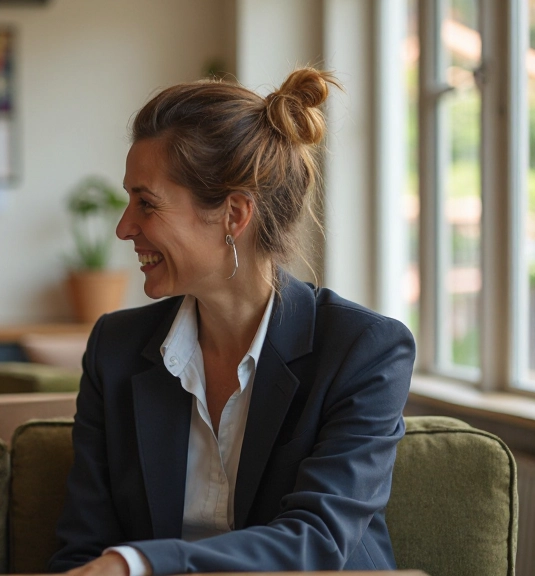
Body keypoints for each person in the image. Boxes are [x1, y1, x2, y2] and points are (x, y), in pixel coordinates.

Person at [48, 68, 415, 575]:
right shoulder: (115, 347)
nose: (124, 227)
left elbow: (317, 542)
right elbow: (81, 548)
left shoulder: (363, 349)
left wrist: (140, 564)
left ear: (233, 215)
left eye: (147, 203)